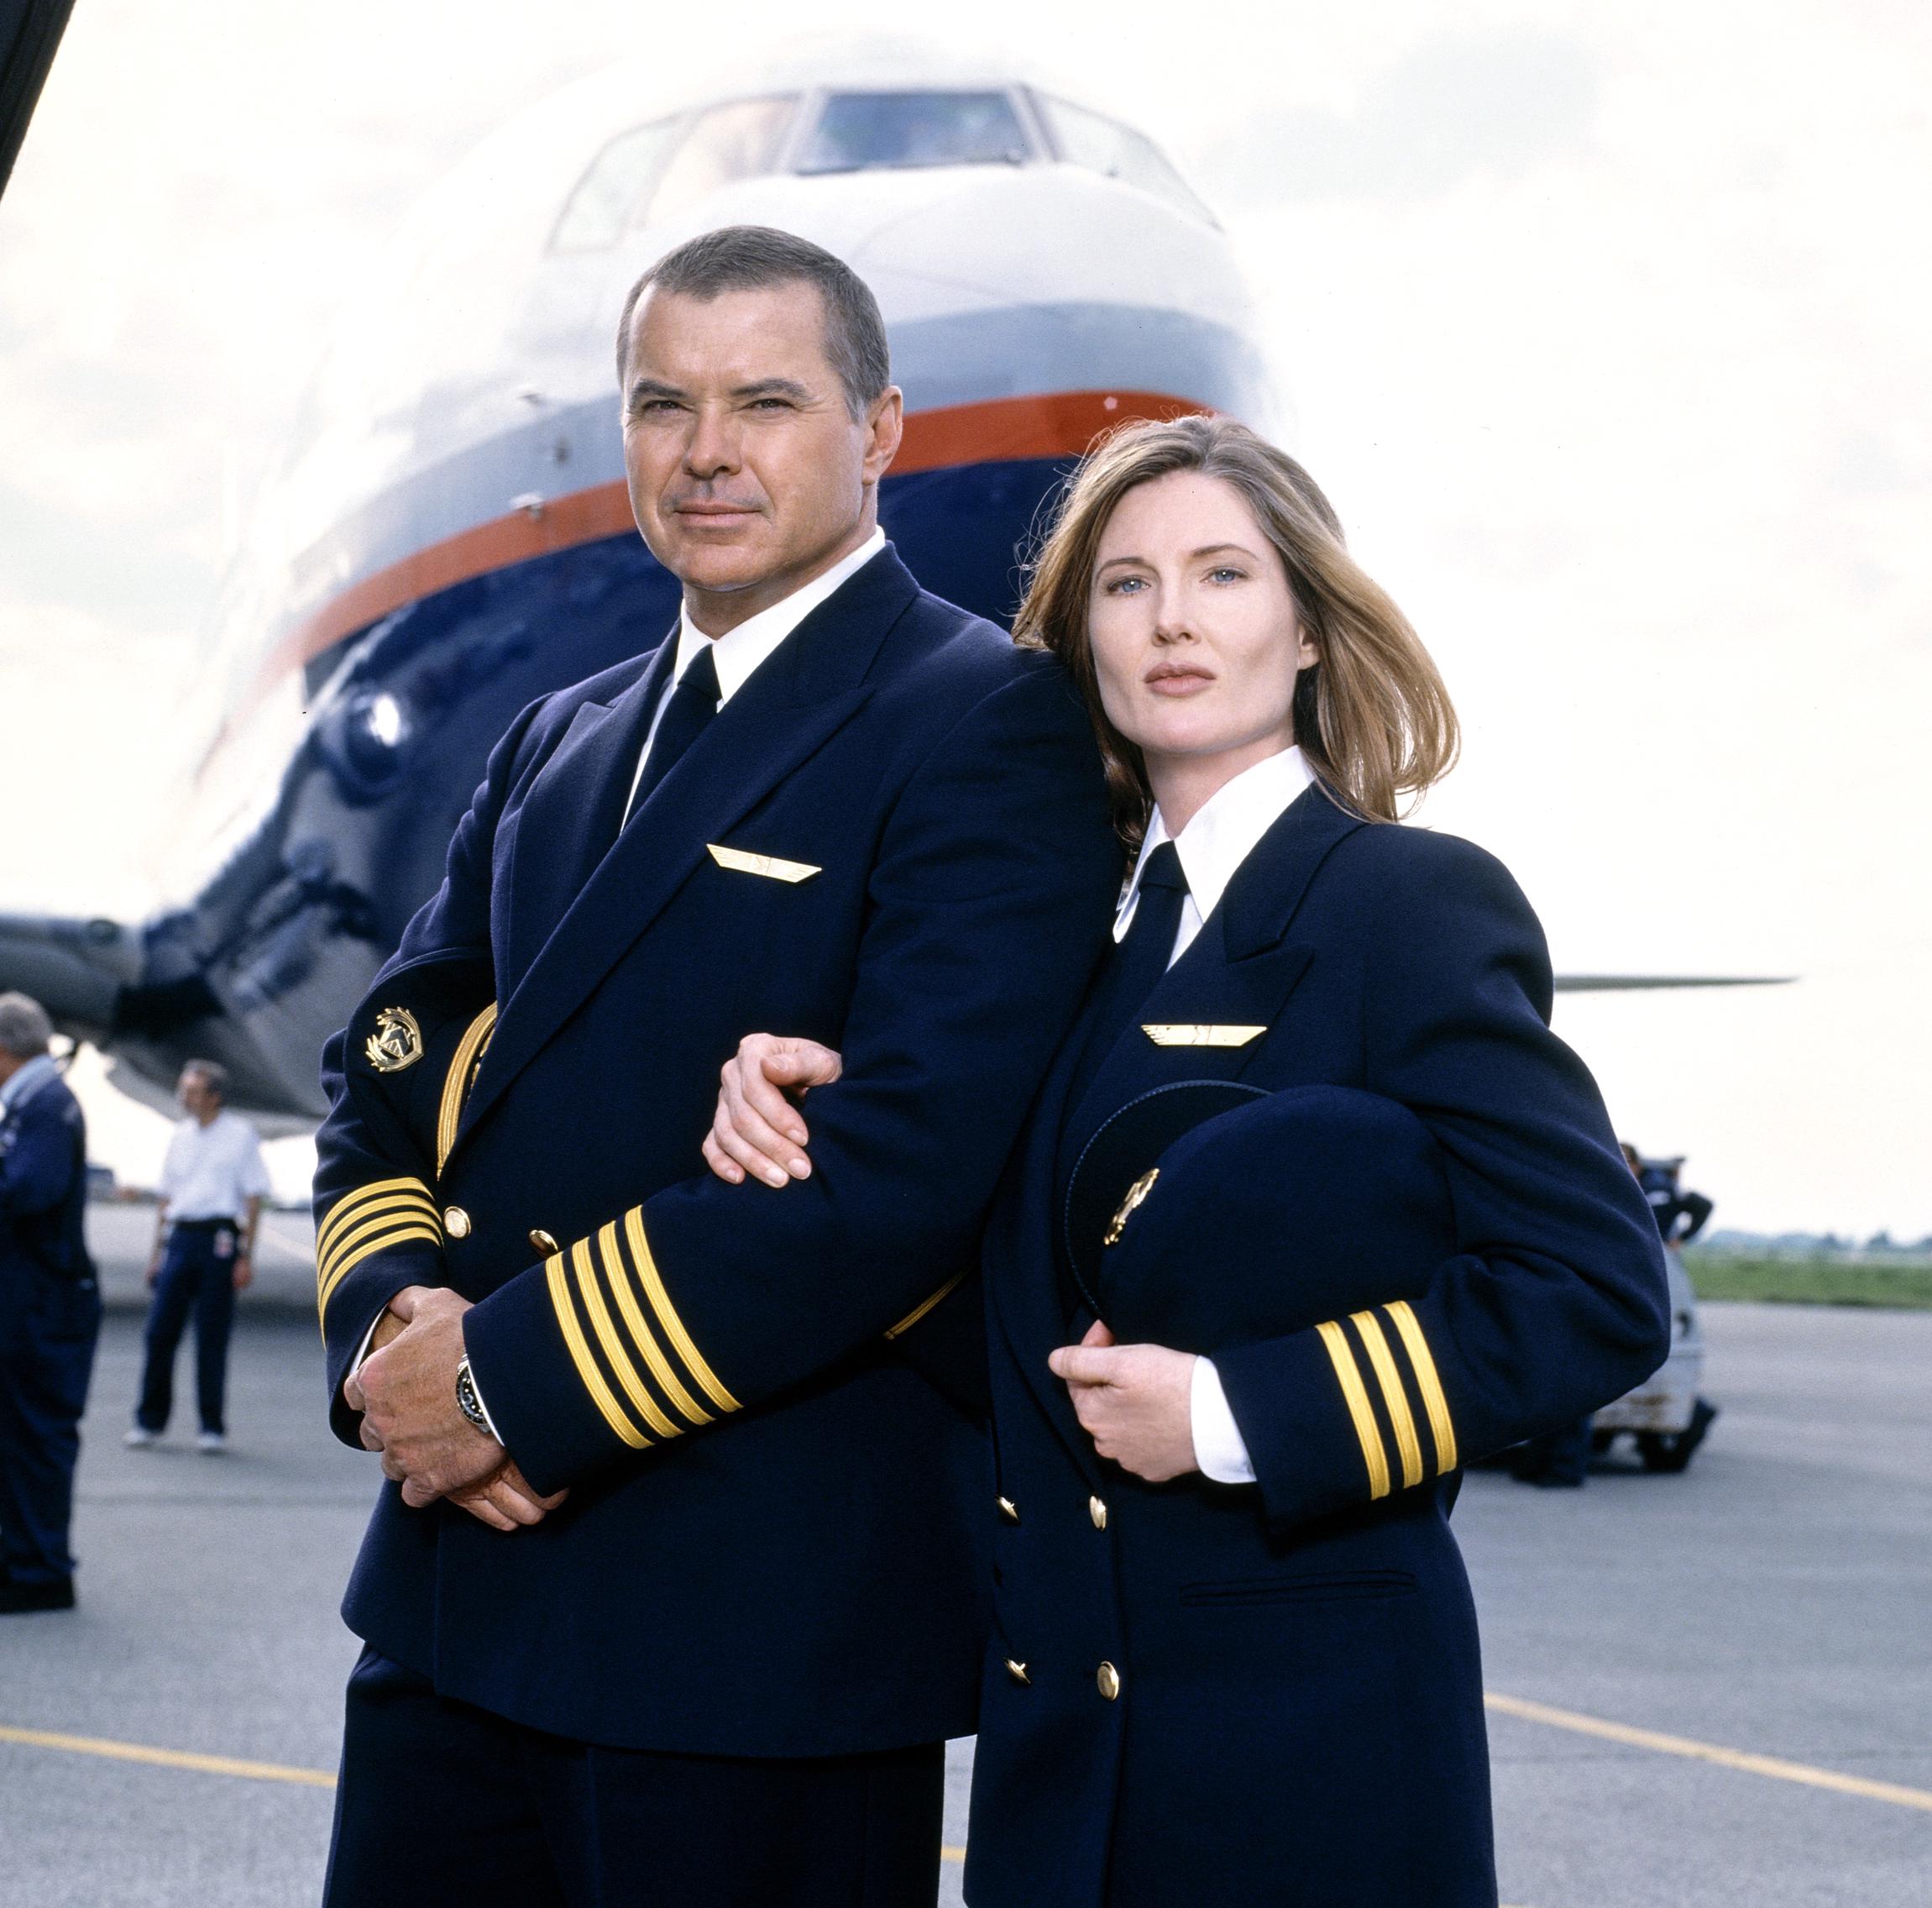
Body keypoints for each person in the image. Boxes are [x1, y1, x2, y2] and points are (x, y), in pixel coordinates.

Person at [704, 415, 1672, 1907]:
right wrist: (827, 1136)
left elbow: (1593, 1294)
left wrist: (1231, 1413)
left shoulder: (1401, 907)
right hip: (1059, 1763)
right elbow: (1018, 1326)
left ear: (1304, 623)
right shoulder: (1061, 954)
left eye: (1222, 574)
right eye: (1125, 581)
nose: (1169, 618)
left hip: (1310, 1747)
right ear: (1076, 634)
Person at [312, 226, 1119, 1908]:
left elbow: (894, 1174)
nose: (705, 451)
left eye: (765, 401)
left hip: (749, 1643)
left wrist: (501, 1386)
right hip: (456, 1597)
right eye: (661, 403)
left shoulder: (986, 722)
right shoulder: (560, 732)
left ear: (881, 428)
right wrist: (395, 1329)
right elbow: (389, 1069)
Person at [0, 991, 101, 1614]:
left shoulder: (45, 1104)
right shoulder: (32, 1102)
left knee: (35, 1436)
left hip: (43, 1304)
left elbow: (29, 1189)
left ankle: (42, 1573)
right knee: (16, 1436)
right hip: (28, 1300)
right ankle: (22, 1557)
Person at [126, 1059, 269, 1454]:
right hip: (181, 1238)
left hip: (219, 1239)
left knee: (211, 1336)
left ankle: (211, 1426)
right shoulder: (181, 1135)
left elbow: (253, 1197)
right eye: (183, 1090)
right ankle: (149, 1422)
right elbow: (166, 1198)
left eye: (191, 1091)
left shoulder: (240, 1135)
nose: (183, 1097)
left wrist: (245, 1256)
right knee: (159, 1334)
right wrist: (157, 1252)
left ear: (214, 1096)